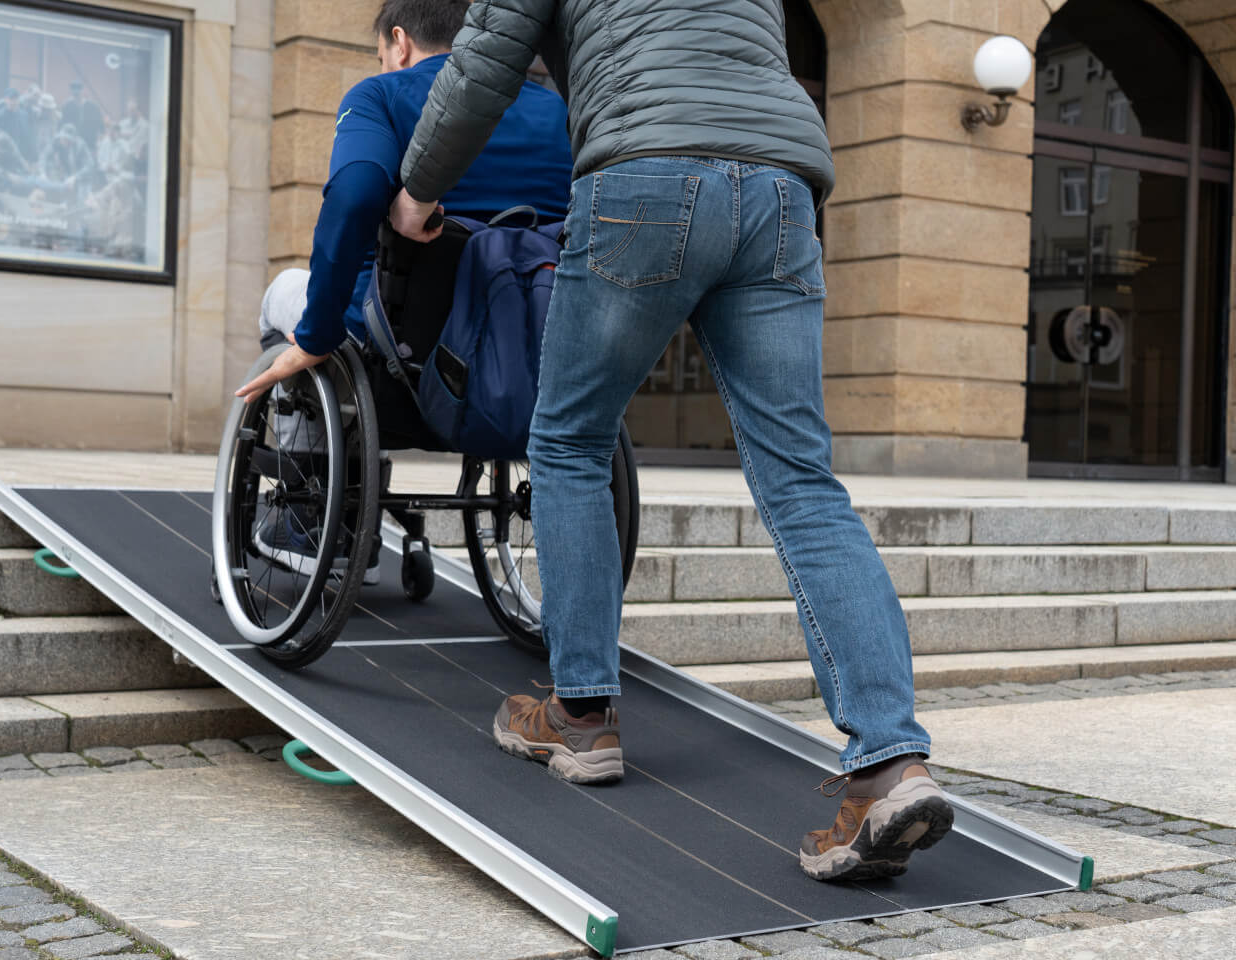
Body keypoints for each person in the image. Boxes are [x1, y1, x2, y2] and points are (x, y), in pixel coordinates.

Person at [385, 0, 954, 884]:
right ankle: (890, 763)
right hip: (778, 189)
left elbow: (486, 58)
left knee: (570, 443)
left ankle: (581, 717)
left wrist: (418, 191)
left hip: (644, 179)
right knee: (802, 482)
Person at [235, 0, 572, 583]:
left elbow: (356, 196)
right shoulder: (556, 112)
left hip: (400, 365)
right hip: (530, 357)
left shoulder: (381, 96)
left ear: (400, 42)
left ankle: (312, 511)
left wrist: (315, 334)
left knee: (284, 293)